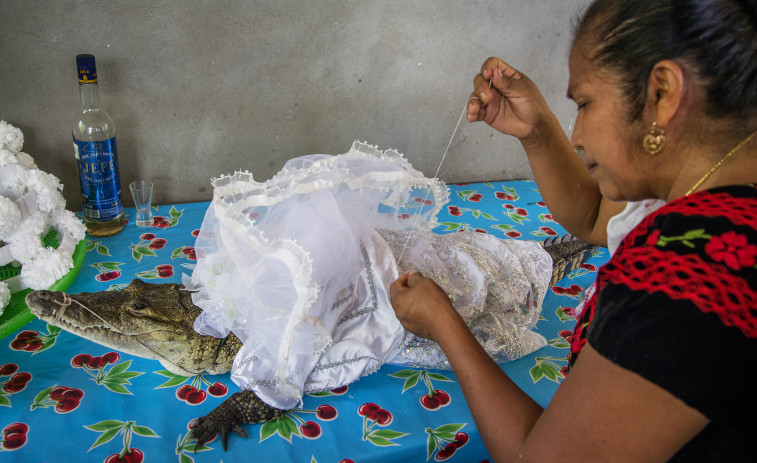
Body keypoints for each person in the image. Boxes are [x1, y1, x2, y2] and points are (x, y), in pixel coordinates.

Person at [390, 0, 757, 460]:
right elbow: (595, 218)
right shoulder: (703, 191)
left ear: (662, 93)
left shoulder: (690, 272)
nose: (577, 134)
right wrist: (537, 130)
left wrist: (444, 324)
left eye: (584, 103)